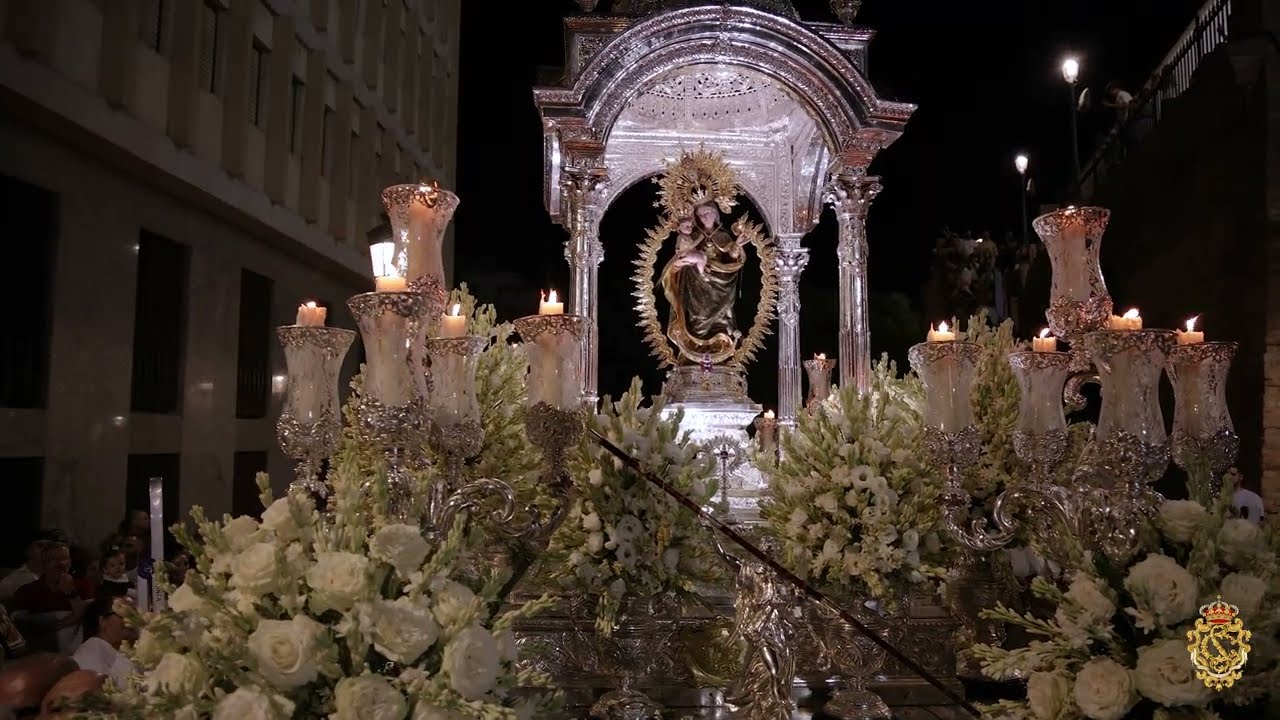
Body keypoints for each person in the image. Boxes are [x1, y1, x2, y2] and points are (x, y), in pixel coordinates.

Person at [660, 203, 751, 364]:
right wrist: (688, 261)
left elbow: (731, 258)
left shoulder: (723, 236)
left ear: (715, 214)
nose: (704, 217)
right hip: (694, 286)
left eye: (707, 212)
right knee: (696, 318)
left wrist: (737, 245)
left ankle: (719, 347)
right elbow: (679, 257)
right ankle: (694, 350)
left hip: (720, 284)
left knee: (721, 319)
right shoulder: (692, 235)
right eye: (700, 215)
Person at [69, 597, 135, 689]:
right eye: (124, 614)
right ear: (102, 621)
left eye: (134, 615)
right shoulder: (91, 650)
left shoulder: (117, 649)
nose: (132, 620)